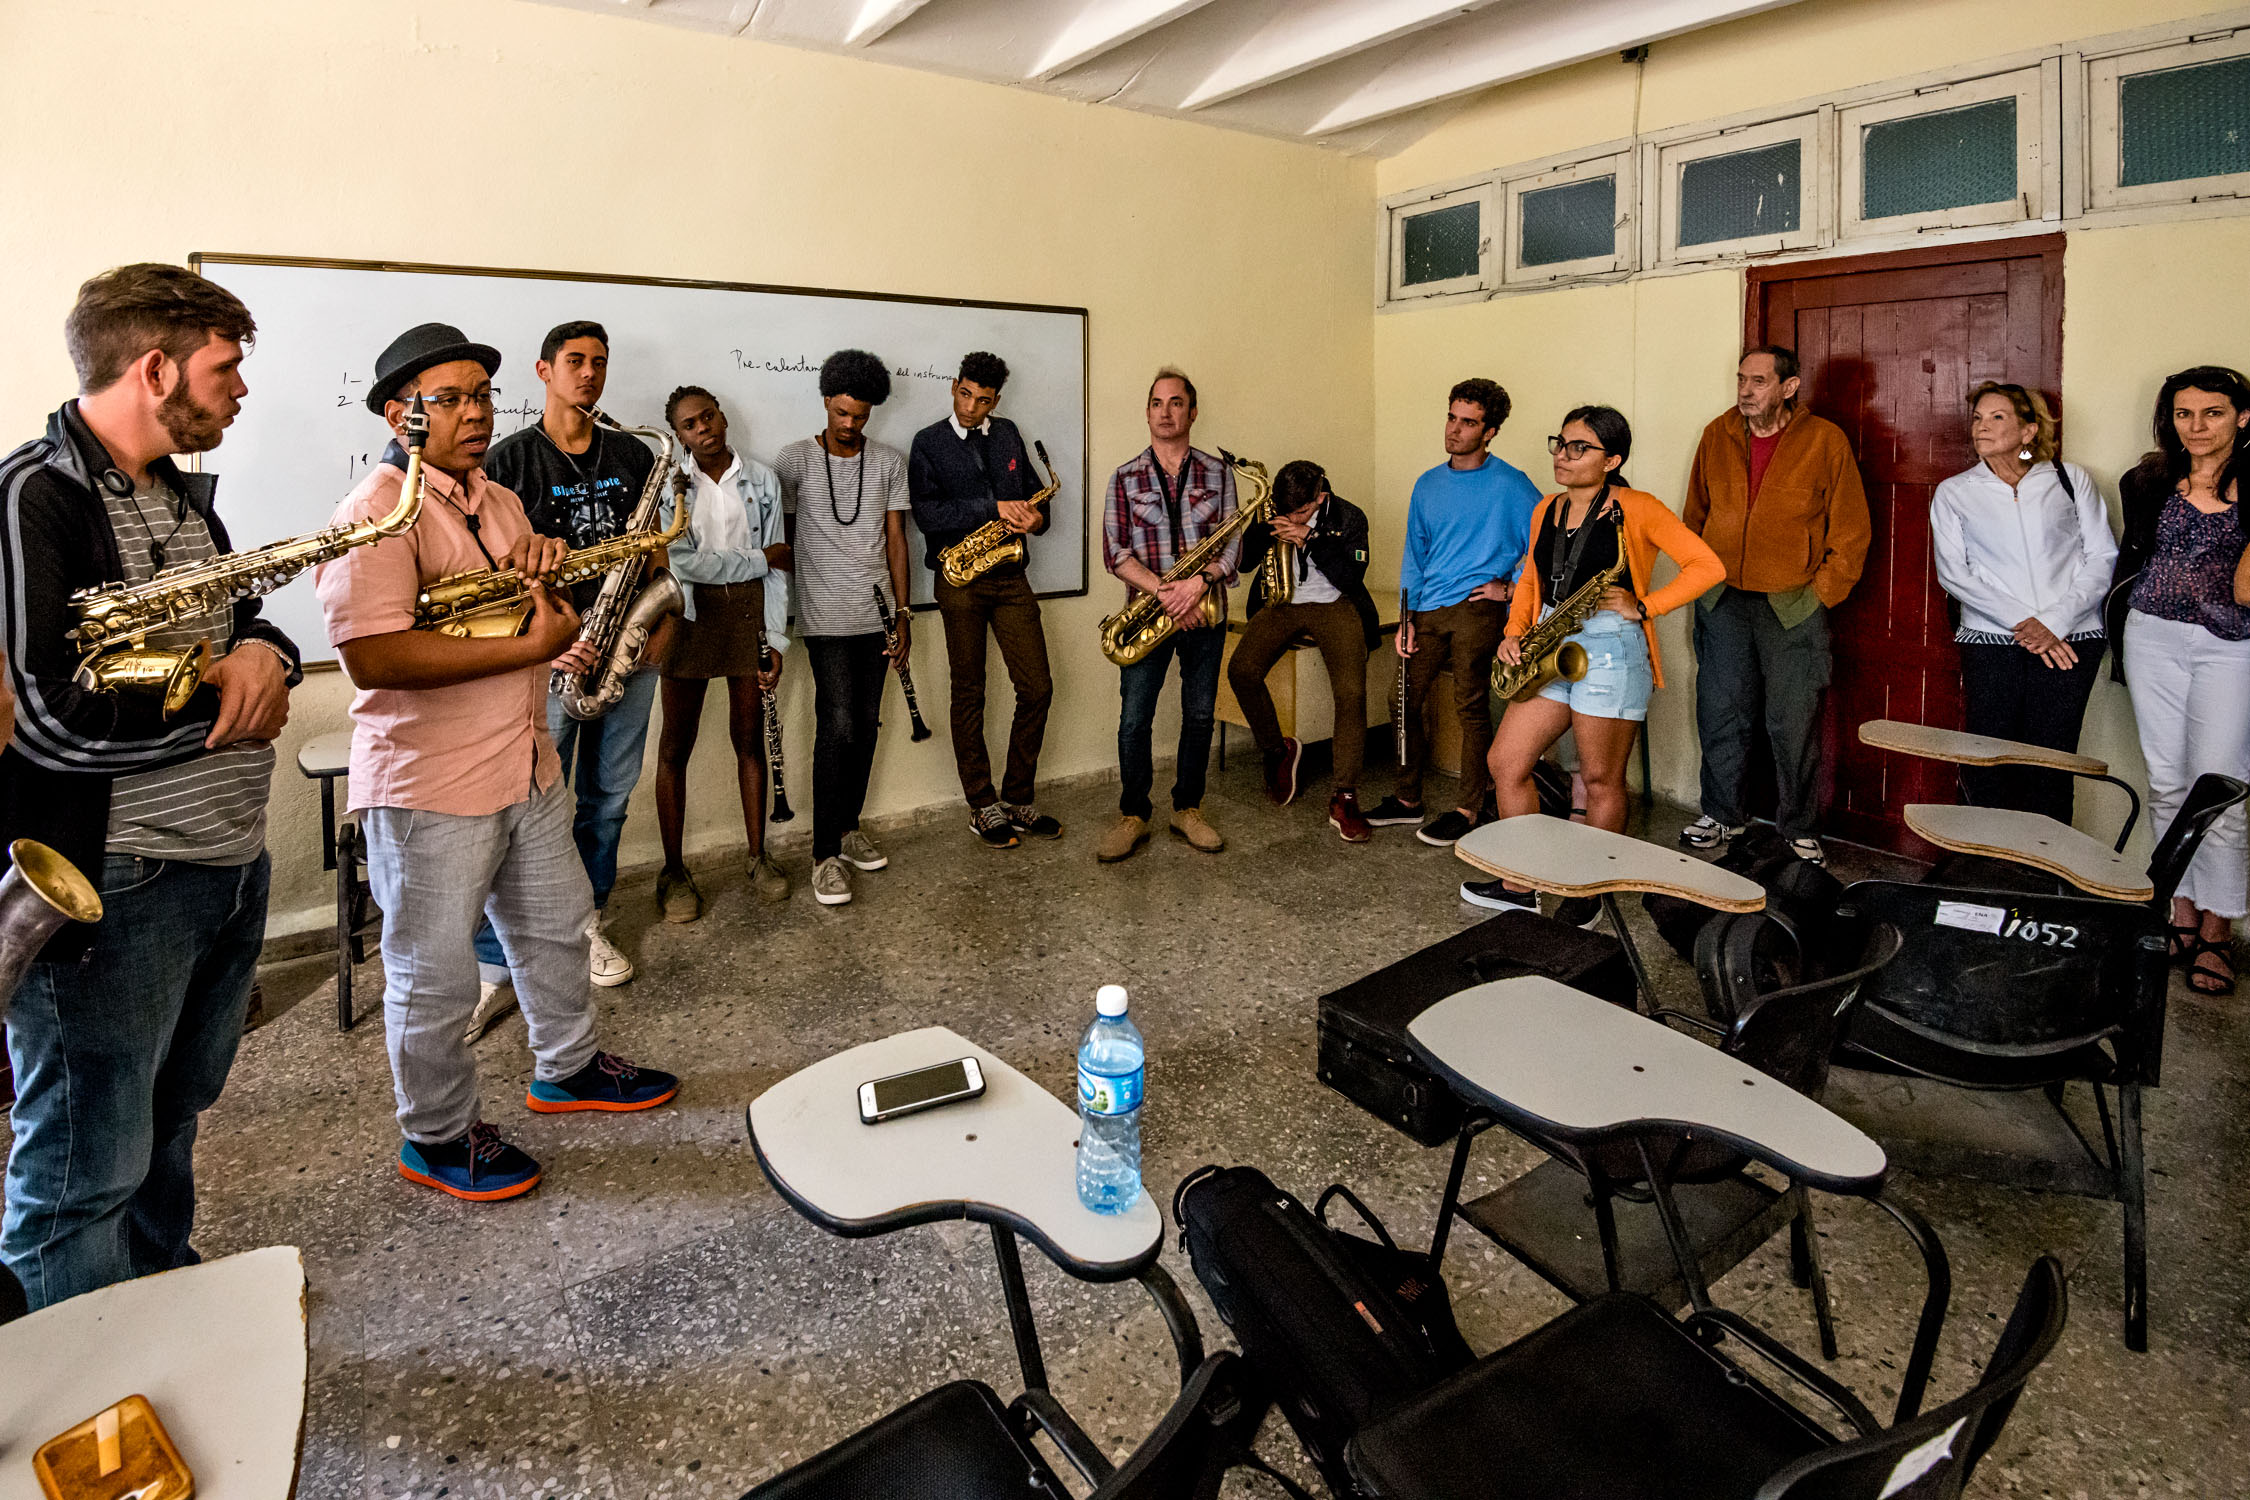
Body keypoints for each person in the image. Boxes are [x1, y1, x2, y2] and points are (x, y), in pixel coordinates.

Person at [314, 322, 678, 1202]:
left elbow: (525, 619)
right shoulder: (374, 510)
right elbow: (375, 657)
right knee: (433, 976)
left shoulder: (500, 502)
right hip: (433, 785)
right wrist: (536, 645)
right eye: (453, 398)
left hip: (525, 764)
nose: (476, 412)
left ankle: (569, 1068)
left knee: (558, 929)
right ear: (402, 415)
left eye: (482, 394)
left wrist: (550, 601)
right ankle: (434, 1138)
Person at [0, 263, 301, 1308]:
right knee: (85, 1166)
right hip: (116, 881)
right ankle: (82, 1398)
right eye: (227, 367)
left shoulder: (182, 503)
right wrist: (211, 697)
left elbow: (235, 630)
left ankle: (161, 1307)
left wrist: (267, 654)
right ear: (158, 366)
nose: (241, 390)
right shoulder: (37, 494)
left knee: (171, 1121)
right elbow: (46, 710)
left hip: (221, 865)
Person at [1463, 408, 1723, 916]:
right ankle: (1522, 885)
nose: (1563, 454)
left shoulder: (1637, 507)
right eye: (1560, 442)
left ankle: (1590, 892)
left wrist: (1645, 606)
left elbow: (1708, 565)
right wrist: (1514, 632)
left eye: (1580, 447)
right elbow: (1533, 580)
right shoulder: (1548, 509)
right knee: (1506, 762)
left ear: (1613, 459)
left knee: (1602, 778)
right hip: (1549, 639)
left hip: (1609, 649)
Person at [474, 320, 658, 1003]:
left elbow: (650, 549)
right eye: (575, 361)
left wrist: (657, 625)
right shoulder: (508, 460)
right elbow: (488, 572)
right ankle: (500, 956)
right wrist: (545, 639)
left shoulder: (633, 456)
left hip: (628, 651)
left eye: (599, 363)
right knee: (530, 805)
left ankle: (588, 924)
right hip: (548, 658)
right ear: (543, 370)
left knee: (608, 801)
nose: (589, 374)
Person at [1680, 345, 1870, 867]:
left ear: (1789, 387)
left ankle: (1799, 827)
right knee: (1721, 712)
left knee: (1793, 721)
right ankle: (1722, 814)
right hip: (1722, 598)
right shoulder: (1716, 434)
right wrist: (1699, 577)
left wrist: (1822, 592)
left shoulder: (1824, 440)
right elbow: (1695, 513)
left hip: (1792, 603)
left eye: (1759, 381)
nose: (1745, 390)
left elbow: (1851, 531)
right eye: (1741, 379)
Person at [2107, 365, 2250, 996]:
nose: (2196, 426)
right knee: (2165, 780)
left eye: (2212, 413)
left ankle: (2218, 931)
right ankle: (2178, 913)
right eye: (2184, 414)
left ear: (2242, 418)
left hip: (2231, 643)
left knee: (2220, 786)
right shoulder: (2150, 480)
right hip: (2152, 633)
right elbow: (2135, 554)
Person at [1362, 378, 1539, 848]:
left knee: (1469, 705)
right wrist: (1405, 618)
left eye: (1469, 422)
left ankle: (1468, 807)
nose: (1455, 429)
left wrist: (1510, 588)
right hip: (1426, 607)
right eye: (1452, 417)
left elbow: (1545, 545)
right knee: (1400, 701)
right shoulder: (1428, 484)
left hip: (1476, 609)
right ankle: (1406, 799)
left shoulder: (1513, 485)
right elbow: (1413, 556)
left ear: (1491, 431)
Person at [1930, 383, 2115, 822]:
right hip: (1992, 640)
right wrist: (2025, 622)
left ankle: (2046, 880)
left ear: (2030, 431)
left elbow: (2102, 556)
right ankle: (1982, 871)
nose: (1981, 427)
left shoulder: (2068, 480)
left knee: (2052, 762)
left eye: (1997, 417)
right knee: (1987, 758)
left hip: (2072, 640)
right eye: (1977, 417)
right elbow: (1955, 573)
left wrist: (2054, 621)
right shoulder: (1956, 491)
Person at [772, 349, 914, 907]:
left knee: (868, 723)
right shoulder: (792, 462)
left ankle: (849, 827)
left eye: (860, 416)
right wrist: (775, 623)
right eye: (841, 414)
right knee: (838, 726)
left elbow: (897, 541)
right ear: (826, 403)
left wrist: (904, 614)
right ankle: (823, 854)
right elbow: (779, 544)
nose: (850, 425)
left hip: (877, 617)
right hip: (823, 620)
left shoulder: (888, 463)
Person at [907, 352, 1060, 849]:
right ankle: (981, 804)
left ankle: (1018, 798)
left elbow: (1038, 498)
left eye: (984, 400)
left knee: (1037, 686)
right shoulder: (928, 442)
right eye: (966, 394)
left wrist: (1037, 519)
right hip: (960, 575)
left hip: (1011, 575)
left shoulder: (1010, 433)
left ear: (998, 399)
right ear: (954, 385)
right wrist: (991, 507)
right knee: (969, 691)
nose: (972, 407)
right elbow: (928, 515)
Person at [652, 385, 792, 922]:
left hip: (748, 617)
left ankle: (757, 856)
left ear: (722, 416)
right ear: (679, 435)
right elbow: (682, 565)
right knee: (674, 748)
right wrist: (756, 558)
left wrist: (776, 639)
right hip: (685, 617)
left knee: (748, 740)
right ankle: (673, 870)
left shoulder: (762, 480)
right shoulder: (668, 486)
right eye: (689, 424)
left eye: (707, 416)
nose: (702, 428)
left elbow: (781, 569)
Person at [1097, 368, 1238, 862]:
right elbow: (1115, 552)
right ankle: (1133, 814)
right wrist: (1167, 594)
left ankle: (1187, 808)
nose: (1165, 411)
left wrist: (1198, 587)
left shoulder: (1220, 473)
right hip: (1146, 617)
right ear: (1147, 411)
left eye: (1176, 403)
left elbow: (1231, 543)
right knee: (1135, 719)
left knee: (1199, 715)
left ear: (1192, 412)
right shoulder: (1124, 475)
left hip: (1205, 608)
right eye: (1157, 403)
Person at [1228, 459, 1380, 842]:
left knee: (1351, 693)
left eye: (1298, 511)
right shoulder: (1273, 508)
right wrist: (1267, 530)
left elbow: (1352, 577)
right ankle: (1277, 751)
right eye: (1284, 508)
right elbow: (1244, 564)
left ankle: (1344, 796)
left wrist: (1310, 540)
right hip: (1281, 602)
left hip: (1336, 603)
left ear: (1320, 497)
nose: (1289, 515)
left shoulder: (1350, 516)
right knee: (1241, 671)